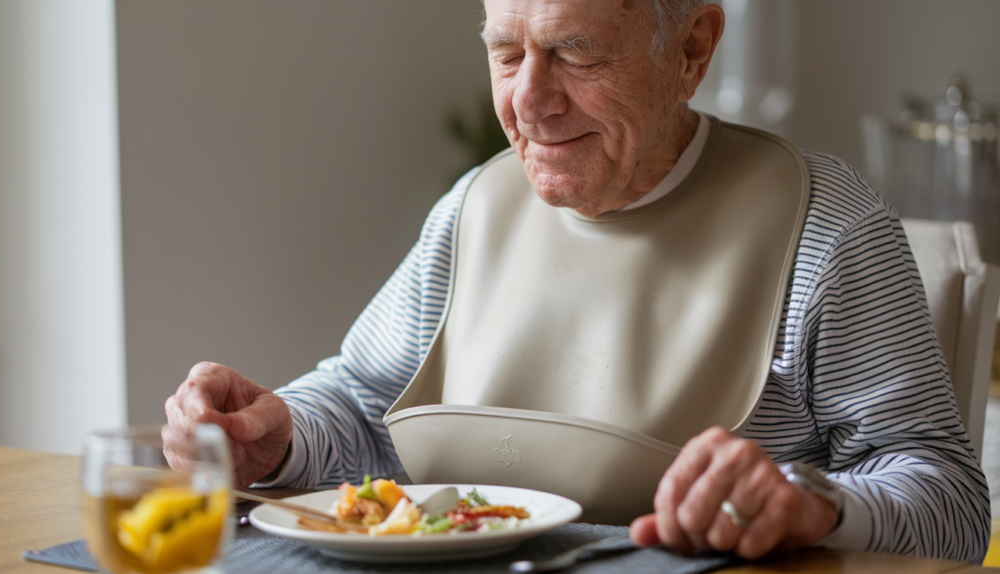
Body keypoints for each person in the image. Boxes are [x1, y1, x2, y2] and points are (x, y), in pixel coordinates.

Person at [163, 0, 990, 562]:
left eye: (574, 52)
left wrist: (814, 505)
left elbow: (951, 504)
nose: (529, 100)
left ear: (693, 49)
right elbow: (365, 407)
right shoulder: (473, 207)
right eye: (506, 51)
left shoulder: (830, 229)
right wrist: (280, 437)